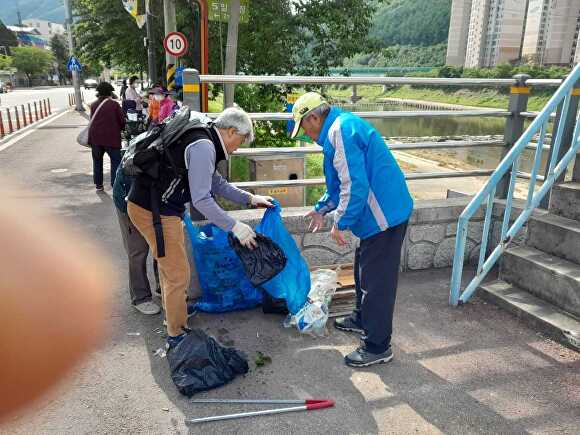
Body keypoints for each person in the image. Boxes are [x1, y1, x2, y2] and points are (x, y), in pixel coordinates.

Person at [127, 107, 274, 348]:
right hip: (154, 210)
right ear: (230, 131)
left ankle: (174, 318)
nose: (239, 146)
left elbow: (216, 183)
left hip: (158, 207)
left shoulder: (205, 138)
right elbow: (202, 200)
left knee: (171, 270)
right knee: (177, 275)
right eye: (241, 139)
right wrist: (235, 226)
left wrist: (249, 198)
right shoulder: (204, 146)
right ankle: (177, 335)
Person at [291, 92, 413, 368]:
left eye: (304, 127)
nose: (305, 134)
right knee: (362, 268)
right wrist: (322, 208)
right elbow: (338, 185)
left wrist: (340, 221)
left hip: (385, 216)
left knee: (377, 283)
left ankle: (377, 346)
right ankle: (361, 318)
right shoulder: (338, 129)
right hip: (379, 215)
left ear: (313, 117)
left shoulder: (340, 131)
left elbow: (355, 185)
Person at [113, 159, 161, 315]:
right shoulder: (144, 158)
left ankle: (163, 286)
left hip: (154, 198)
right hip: (129, 200)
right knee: (138, 250)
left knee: (162, 244)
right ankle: (140, 297)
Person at [88, 82, 125, 192]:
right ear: (110, 92)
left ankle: (99, 185)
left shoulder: (94, 105)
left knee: (97, 161)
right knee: (115, 161)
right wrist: (122, 129)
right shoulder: (114, 105)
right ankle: (114, 185)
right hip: (111, 139)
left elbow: (92, 120)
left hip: (96, 139)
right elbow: (121, 121)